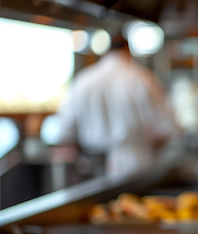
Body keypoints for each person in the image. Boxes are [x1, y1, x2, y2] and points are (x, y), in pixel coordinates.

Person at [56, 35, 180, 177]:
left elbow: (64, 132)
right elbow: (170, 128)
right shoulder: (143, 78)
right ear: (128, 49)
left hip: (90, 166)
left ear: (105, 50)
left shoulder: (83, 80)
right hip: (135, 164)